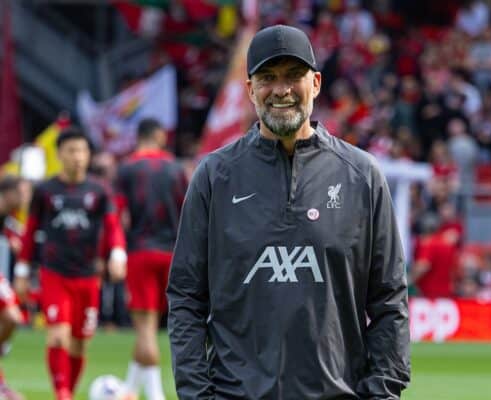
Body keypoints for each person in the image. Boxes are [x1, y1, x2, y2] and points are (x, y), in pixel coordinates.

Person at [167, 24, 410, 399]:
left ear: (315, 83)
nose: (281, 90)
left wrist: (382, 393)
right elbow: (185, 299)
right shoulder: (215, 177)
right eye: (267, 77)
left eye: (293, 76)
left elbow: (390, 300)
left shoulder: (361, 175)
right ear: (250, 89)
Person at [14, 127, 127, 400]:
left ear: (89, 155)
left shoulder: (99, 191)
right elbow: (30, 232)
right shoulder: (45, 191)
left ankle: (68, 392)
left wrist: (117, 254)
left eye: (82, 151)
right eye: (71, 151)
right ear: (60, 154)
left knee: (78, 346)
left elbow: (112, 227)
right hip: (54, 273)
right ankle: (62, 394)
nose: (78, 157)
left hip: (88, 276)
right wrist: (21, 270)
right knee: (57, 337)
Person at [116, 118, 187, 400]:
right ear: (158, 136)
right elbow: (188, 211)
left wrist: (116, 252)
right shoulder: (175, 168)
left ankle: (156, 396)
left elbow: (120, 215)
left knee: (145, 329)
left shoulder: (128, 168)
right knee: (152, 326)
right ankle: (129, 390)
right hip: (172, 253)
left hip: (141, 252)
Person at [0, 177, 25, 400]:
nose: (25, 198)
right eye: (22, 192)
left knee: (12, 317)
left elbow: (16, 231)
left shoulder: (7, 217)